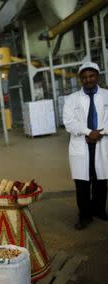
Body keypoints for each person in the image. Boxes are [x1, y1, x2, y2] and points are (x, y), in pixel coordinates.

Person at [63, 62, 108, 230]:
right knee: (82, 183)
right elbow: (69, 122)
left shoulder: (106, 95)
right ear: (80, 79)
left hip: (102, 142)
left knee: (101, 180)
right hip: (81, 144)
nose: (88, 80)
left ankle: (99, 210)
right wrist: (89, 132)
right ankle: (84, 216)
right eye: (84, 77)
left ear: (97, 76)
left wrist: (100, 133)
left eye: (91, 76)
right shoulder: (72, 99)